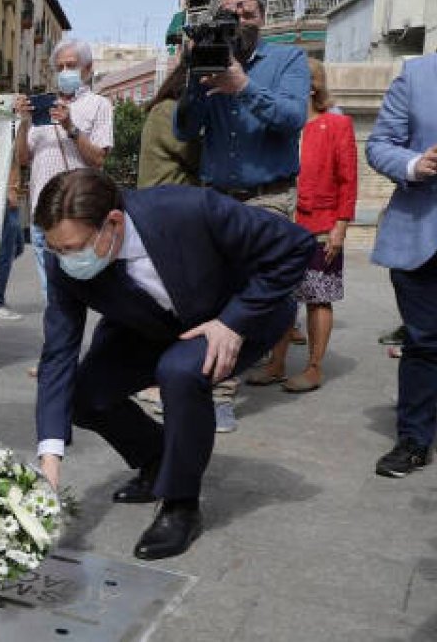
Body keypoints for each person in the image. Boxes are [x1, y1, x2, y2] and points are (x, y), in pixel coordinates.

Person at [35, 168, 312, 559]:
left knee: (180, 372)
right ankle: (158, 461)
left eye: (73, 248)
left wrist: (234, 321)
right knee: (85, 394)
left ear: (113, 223)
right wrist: (49, 462)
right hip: (148, 324)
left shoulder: (188, 209)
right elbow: (58, 354)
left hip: (235, 315)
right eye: (56, 249)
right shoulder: (64, 262)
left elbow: (296, 245)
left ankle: (181, 505)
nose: (66, 259)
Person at [173, 0, 310, 432]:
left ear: (263, 17)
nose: (240, 20)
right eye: (229, 13)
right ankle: (210, 381)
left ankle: (223, 392)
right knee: (212, 291)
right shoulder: (207, 58)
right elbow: (184, 130)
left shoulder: (288, 59)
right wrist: (192, 77)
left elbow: (292, 119)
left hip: (268, 195)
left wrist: (243, 85)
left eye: (248, 12)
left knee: (249, 292)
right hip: (215, 197)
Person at [248, 59, 356, 393]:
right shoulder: (281, 129)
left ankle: (313, 368)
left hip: (321, 223)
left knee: (318, 297)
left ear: (312, 85)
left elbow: (348, 180)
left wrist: (340, 226)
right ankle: (277, 364)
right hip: (283, 223)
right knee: (281, 296)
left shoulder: (336, 125)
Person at [366, 51, 437, 478]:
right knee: (425, 341)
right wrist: (416, 164)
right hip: (421, 235)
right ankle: (414, 438)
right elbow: (378, 146)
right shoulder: (417, 75)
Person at [13, 38, 114, 297]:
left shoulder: (99, 105)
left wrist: (70, 127)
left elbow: (99, 159)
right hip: (42, 214)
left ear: (87, 69)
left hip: (81, 212)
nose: (65, 72)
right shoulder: (43, 108)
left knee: (83, 291)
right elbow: (24, 159)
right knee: (52, 293)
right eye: (60, 68)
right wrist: (23, 123)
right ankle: (58, 338)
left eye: (71, 66)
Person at [137, 61, 199, 187]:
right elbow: (194, 155)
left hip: (164, 196)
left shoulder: (163, 109)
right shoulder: (168, 110)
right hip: (166, 197)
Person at [0, 159, 25, 320]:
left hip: (10, 190)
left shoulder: (18, 132)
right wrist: (10, 188)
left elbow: (21, 158)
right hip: (3, 192)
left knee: (17, 246)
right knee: (6, 251)